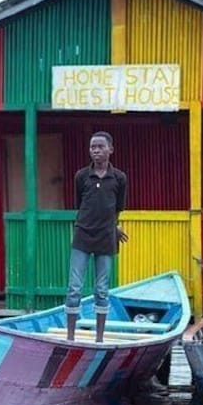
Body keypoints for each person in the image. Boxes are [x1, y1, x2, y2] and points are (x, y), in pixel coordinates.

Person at [65, 131, 128, 342]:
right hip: (82, 236)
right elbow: (80, 204)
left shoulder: (119, 178)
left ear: (110, 149)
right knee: (74, 288)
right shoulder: (81, 176)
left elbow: (117, 207)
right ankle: (70, 338)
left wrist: (114, 227)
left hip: (106, 238)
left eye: (100, 147)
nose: (96, 151)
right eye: (93, 147)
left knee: (102, 289)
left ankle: (99, 339)